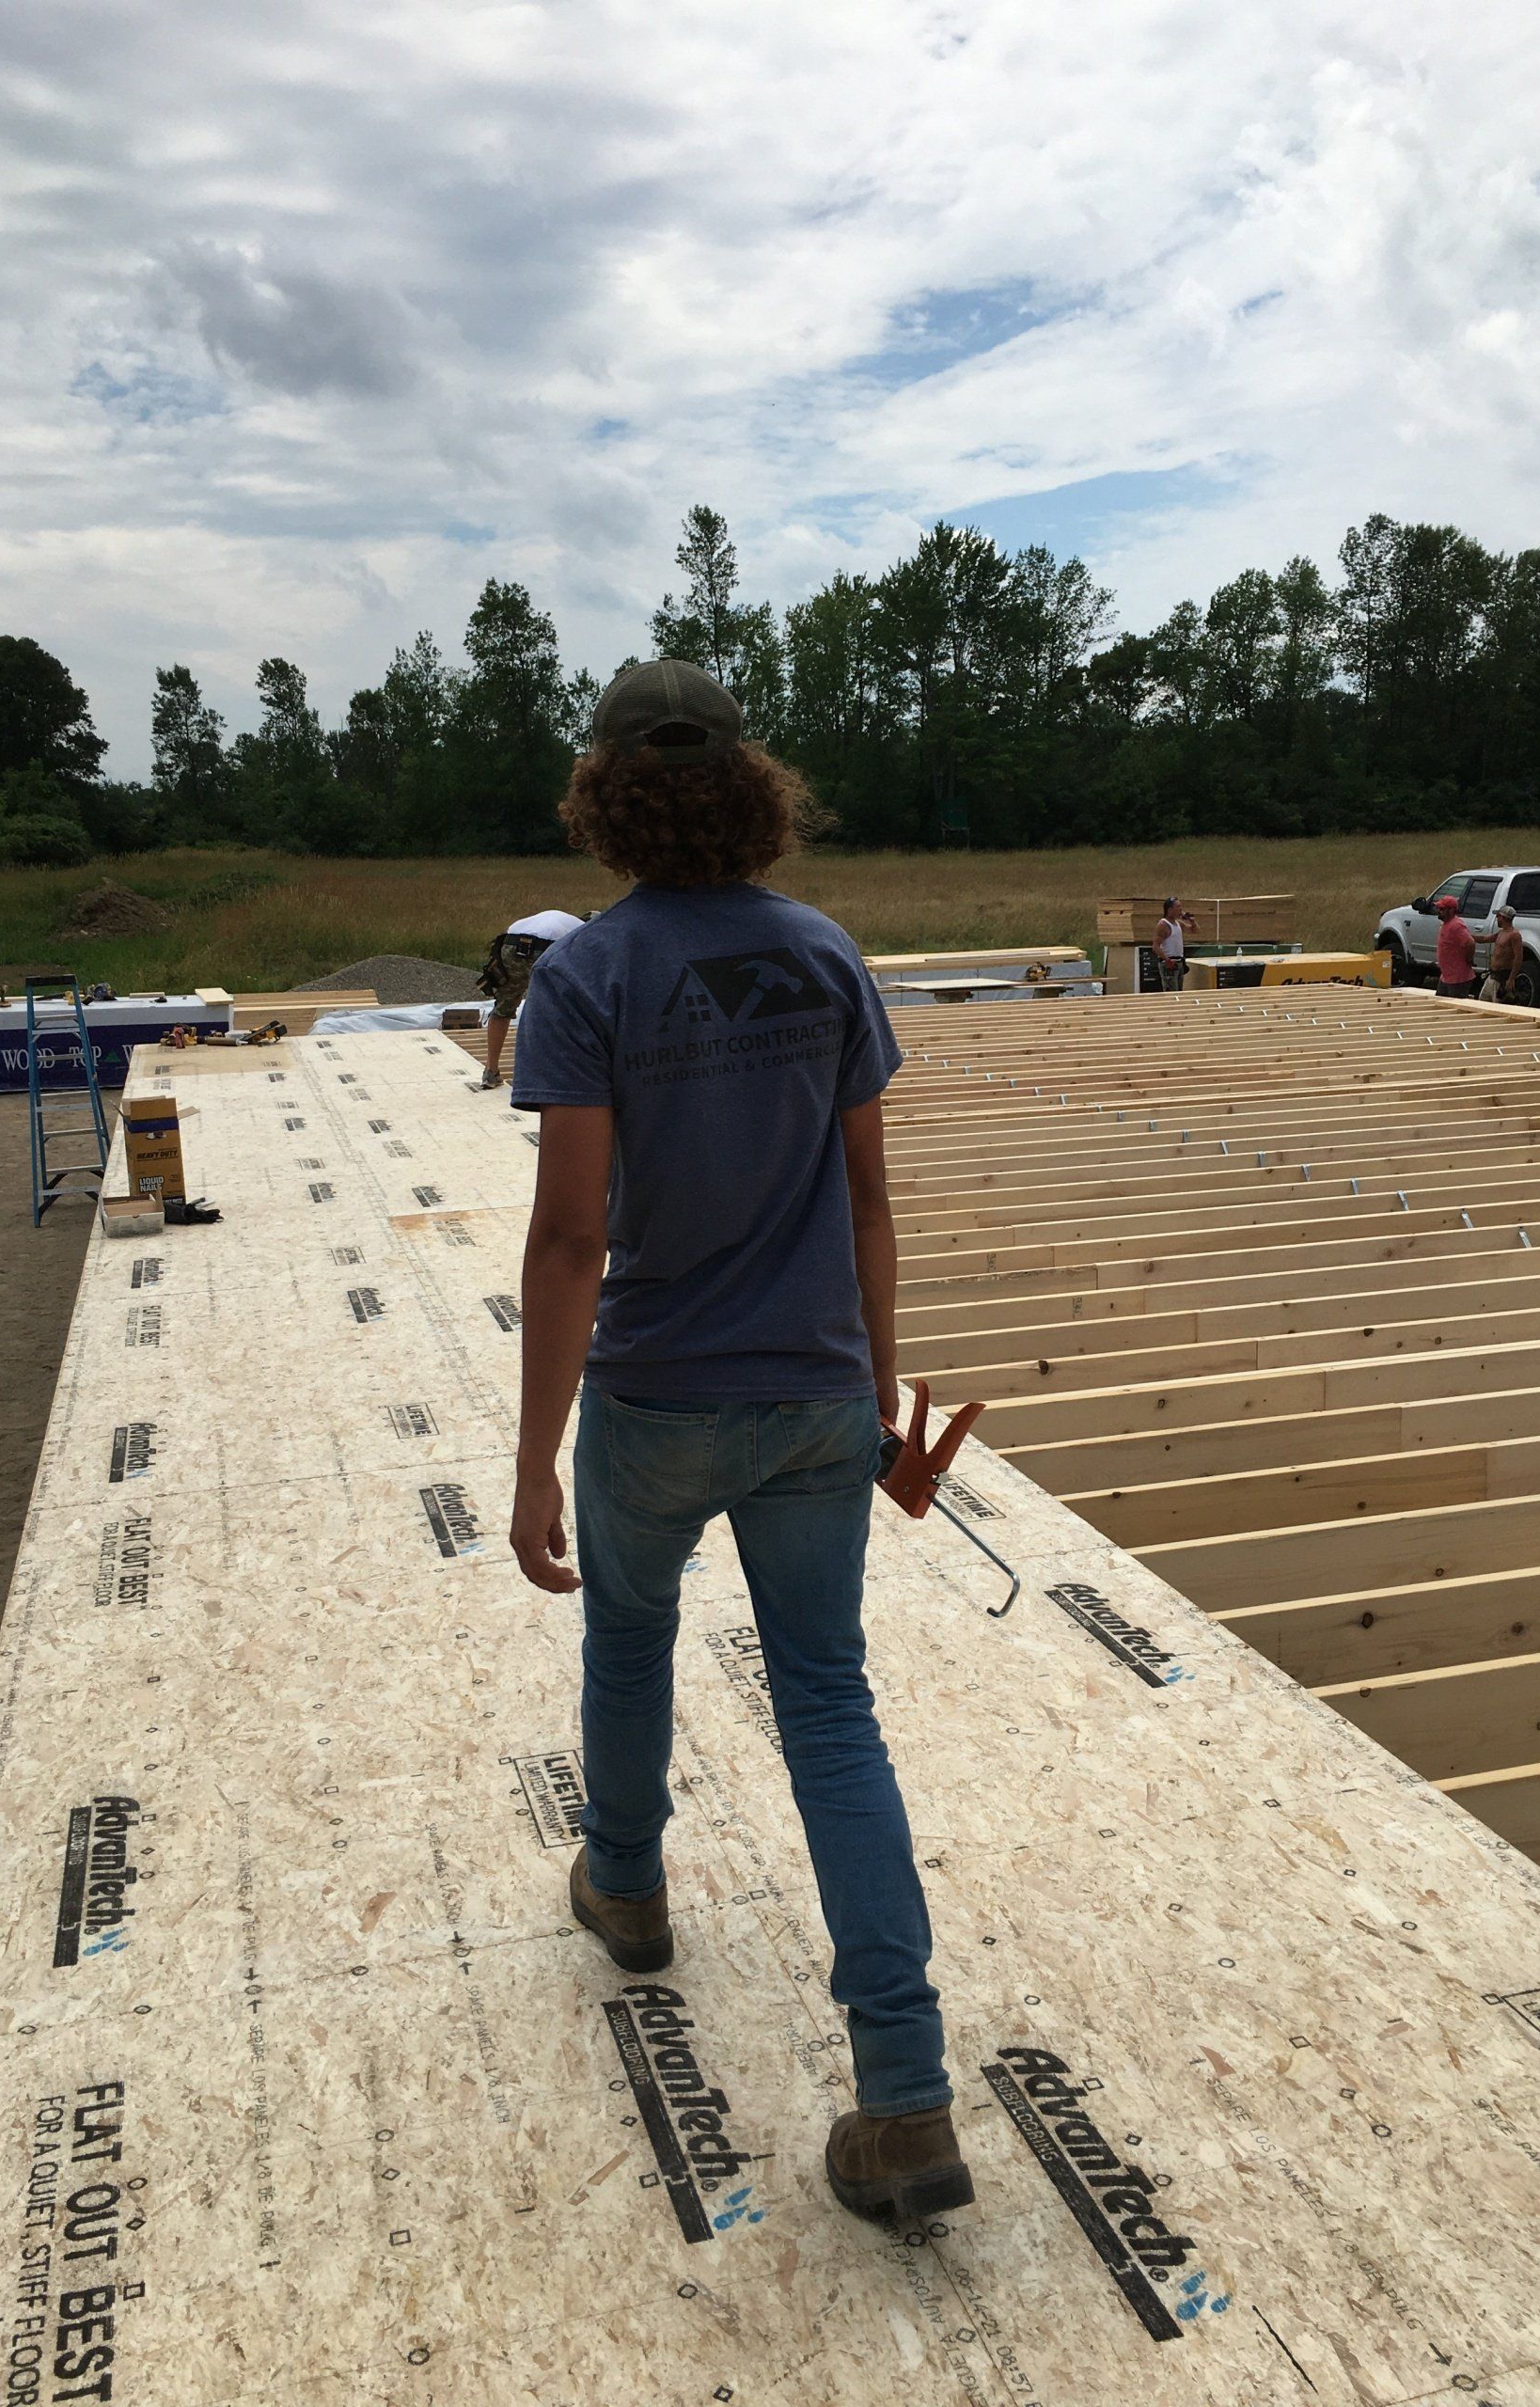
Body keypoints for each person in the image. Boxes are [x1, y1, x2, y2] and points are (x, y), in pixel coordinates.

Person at [508, 657, 971, 2224]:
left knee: (631, 1646)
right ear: (751, 786)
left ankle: (626, 1888)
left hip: (654, 1402)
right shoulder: (826, 955)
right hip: (812, 1400)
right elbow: (873, 1201)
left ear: (610, 791)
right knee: (829, 1708)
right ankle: (905, 2097)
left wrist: (529, 1465)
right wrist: (877, 1408)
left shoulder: (590, 978)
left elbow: (571, 1241)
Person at [475, 909, 584, 1090]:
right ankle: (551, 1075)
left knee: (503, 1007)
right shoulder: (583, 930)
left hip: (511, 945)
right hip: (547, 947)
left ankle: (490, 1071)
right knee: (557, 1009)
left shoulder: (558, 919)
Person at [1433, 894, 1479, 998]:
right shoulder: (1446, 923)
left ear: (1451, 910)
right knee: (1440, 1003)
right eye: (1438, 908)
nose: (1439, 911)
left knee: (1455, 1007)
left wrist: (1469, 958)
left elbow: (1470, 942)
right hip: (1446, 976)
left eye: (1442, 909)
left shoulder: (1456, 925)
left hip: (1458, 978)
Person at [1478, 906, 1524, 1005]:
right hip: (1492, 976)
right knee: (1483, 1003)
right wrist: (1466, 935)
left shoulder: (1514, 935)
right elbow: (1484, 939)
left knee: (1498, 1007)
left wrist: (1511, 979)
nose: (1496, 919)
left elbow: (1518, 958)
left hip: (1503, 978)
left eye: (1497, 916)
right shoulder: (1501, 932)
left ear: (1502, 917)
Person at [1154, 897, 1196, 993]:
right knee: (1172, 992)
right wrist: (1167, 959)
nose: (1181, 909)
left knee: (1179, 992)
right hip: (1169, 963)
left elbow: (1195, 931)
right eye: (1178, 907)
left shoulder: (1178, 924)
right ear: (1170, 910)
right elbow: (1156, 946)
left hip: (1179, 962)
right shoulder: (1163, 925)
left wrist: (1192, 922)